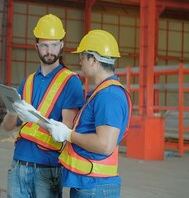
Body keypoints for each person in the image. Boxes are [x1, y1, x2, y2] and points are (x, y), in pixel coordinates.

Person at [2, 14, 84, 198]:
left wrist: (35, 119)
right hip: (19, 163)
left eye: (54, 45)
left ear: (62, 45)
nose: (49, 50)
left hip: (48, 168)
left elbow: (67, 131)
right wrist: (10, 109)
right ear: (36, 46)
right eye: (45, 45)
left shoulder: (70, 82)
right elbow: (7, 127)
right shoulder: (28, 81)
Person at [46, 30, 132, 198]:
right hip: (91, 184)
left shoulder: (108, 96)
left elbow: (104, 144)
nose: (80, 62)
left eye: (83, 57)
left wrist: (68, 135)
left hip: (95, 187)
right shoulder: (102, 93)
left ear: (93, 59)